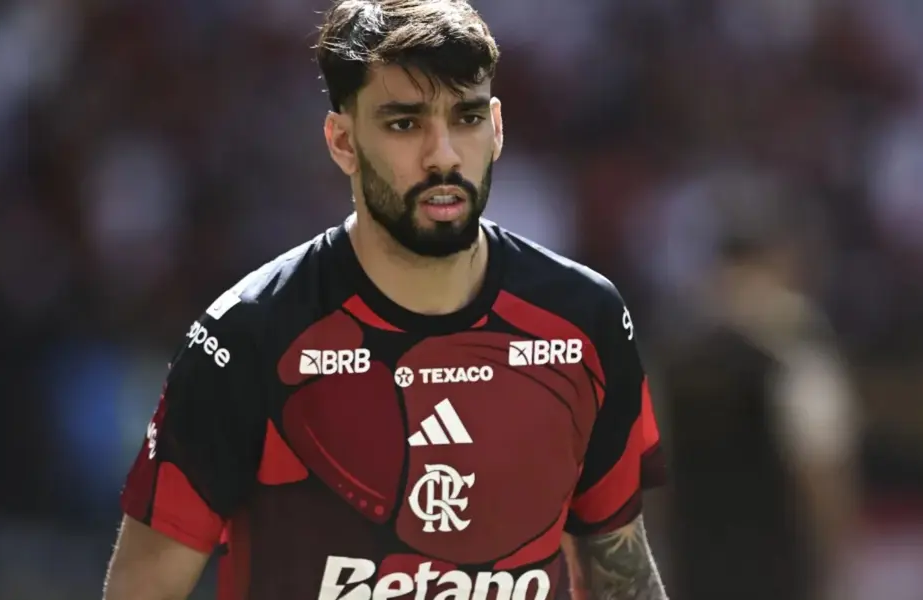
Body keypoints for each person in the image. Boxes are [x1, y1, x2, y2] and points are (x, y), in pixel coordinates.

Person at [102, 1, 667, 598]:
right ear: (342, 141)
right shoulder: (249, 336)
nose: (443, 154)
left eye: (467, 118)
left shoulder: (585, 319)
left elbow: (618, 569)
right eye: (405, 123)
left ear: (497, 128)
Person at [658, 205, 858, 600]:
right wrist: (832, 572)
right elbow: (822, 477)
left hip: (695, 574)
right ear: (777, 261)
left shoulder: (675, 349)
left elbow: (648, 479)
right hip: (778, 574)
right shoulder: (793, 350)